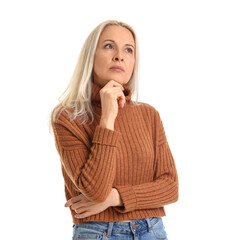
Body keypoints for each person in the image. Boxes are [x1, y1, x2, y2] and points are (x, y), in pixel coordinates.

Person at [49, 19, 179, 240]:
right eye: (109, 46)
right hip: (97, 232)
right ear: (91, 56)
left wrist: (115, 197)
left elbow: (170, 188)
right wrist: (107, 118)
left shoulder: (148, 114)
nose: (120, 55)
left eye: (128, 50)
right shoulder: (66, 117)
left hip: (152, 231)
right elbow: (96, 191)